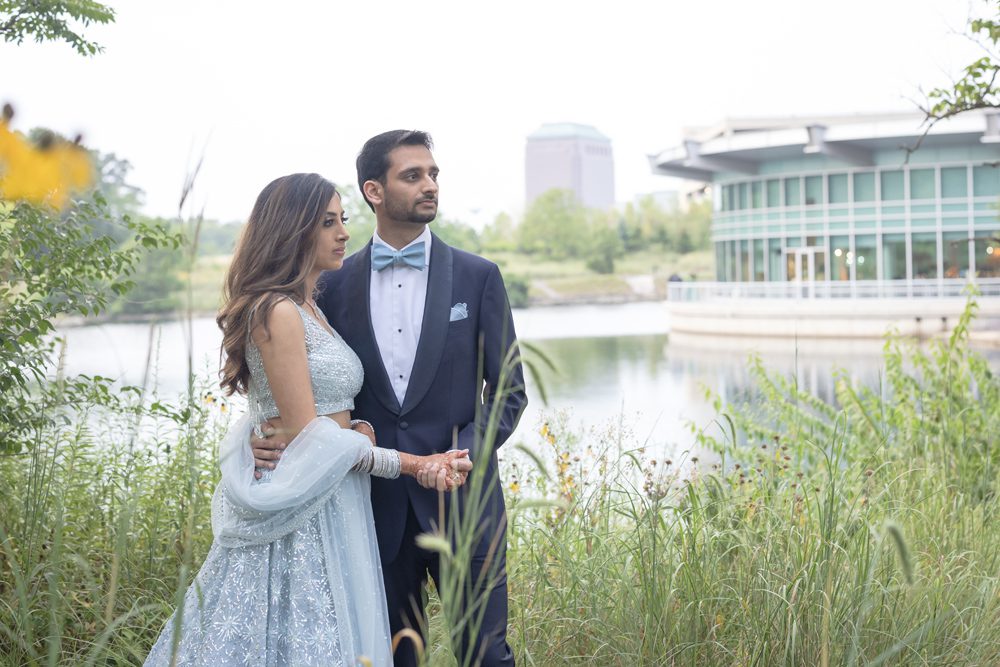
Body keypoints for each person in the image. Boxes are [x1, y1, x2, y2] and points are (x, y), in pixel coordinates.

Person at [145, 173, 472, 666]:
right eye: (327, 222)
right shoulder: (276, 311)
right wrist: (412, 463)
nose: (343, 233)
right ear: (291, 229)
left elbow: (310, 418)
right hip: (303, 505)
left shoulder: (309, 306)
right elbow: (310, 437)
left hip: (334, 493)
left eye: (342, 219)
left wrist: (358, 428)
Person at [252, 131, 528, 666]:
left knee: (487, 656)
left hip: (465, 505)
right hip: (369, 509)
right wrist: (259, 434)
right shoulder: (329, 286)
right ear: (373, 191)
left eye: (434, 174)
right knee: (390, 658)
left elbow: (509, 391)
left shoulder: (479, 277)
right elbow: (292, 384)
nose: (430, 185)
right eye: (413, 175)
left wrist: (461, 456)